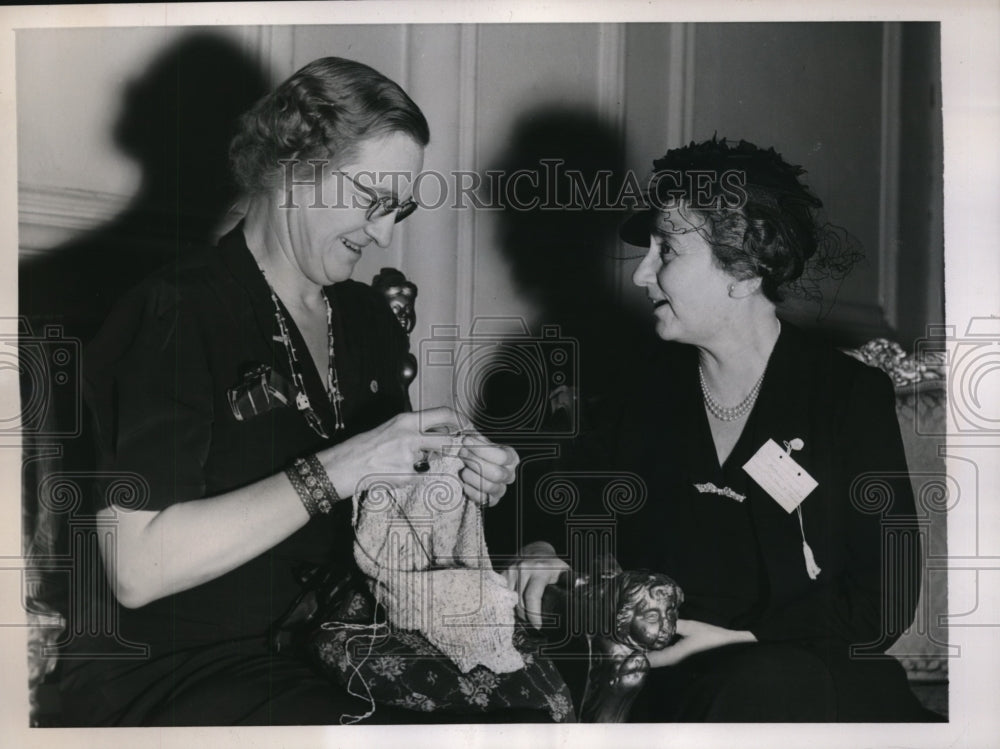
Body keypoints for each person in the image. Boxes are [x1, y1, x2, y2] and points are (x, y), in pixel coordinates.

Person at [56, 57, 524, 726]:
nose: (387, 234)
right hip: (168, 668)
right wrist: (344, 465)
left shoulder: (367, 322)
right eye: (372, 201)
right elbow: (138, 568)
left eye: (401, 209)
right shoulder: (178, 313)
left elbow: (379, 521)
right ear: (295, 170)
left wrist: (453, 477)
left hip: (324, 650)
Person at [506, 137, 936, 722]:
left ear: (745, 270)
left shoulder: (845, 396)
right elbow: (561, 501)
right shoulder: (640, 392)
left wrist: (744, 641)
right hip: (665, 686)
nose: (641, 275)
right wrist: (540, 548)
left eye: (667, 251)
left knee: (751, 688)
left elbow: (882, 601)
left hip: (806, 675)